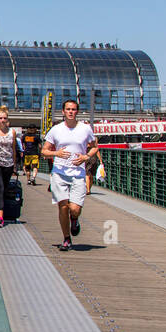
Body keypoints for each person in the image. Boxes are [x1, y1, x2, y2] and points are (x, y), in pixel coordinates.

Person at [41, 98, 97, 251]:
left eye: (73, 109)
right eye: (68, 109)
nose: (71, 112)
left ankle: (75, 219)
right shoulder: (56, 130)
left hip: (78, 173)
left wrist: (85, 157)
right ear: (63, 112)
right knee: (63, 207)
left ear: (77, 111)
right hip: (59, 173)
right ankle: (66, 239)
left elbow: (94, 147)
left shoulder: (85, 129)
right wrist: (56, 153)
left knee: (74, 209)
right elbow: (44, 151)